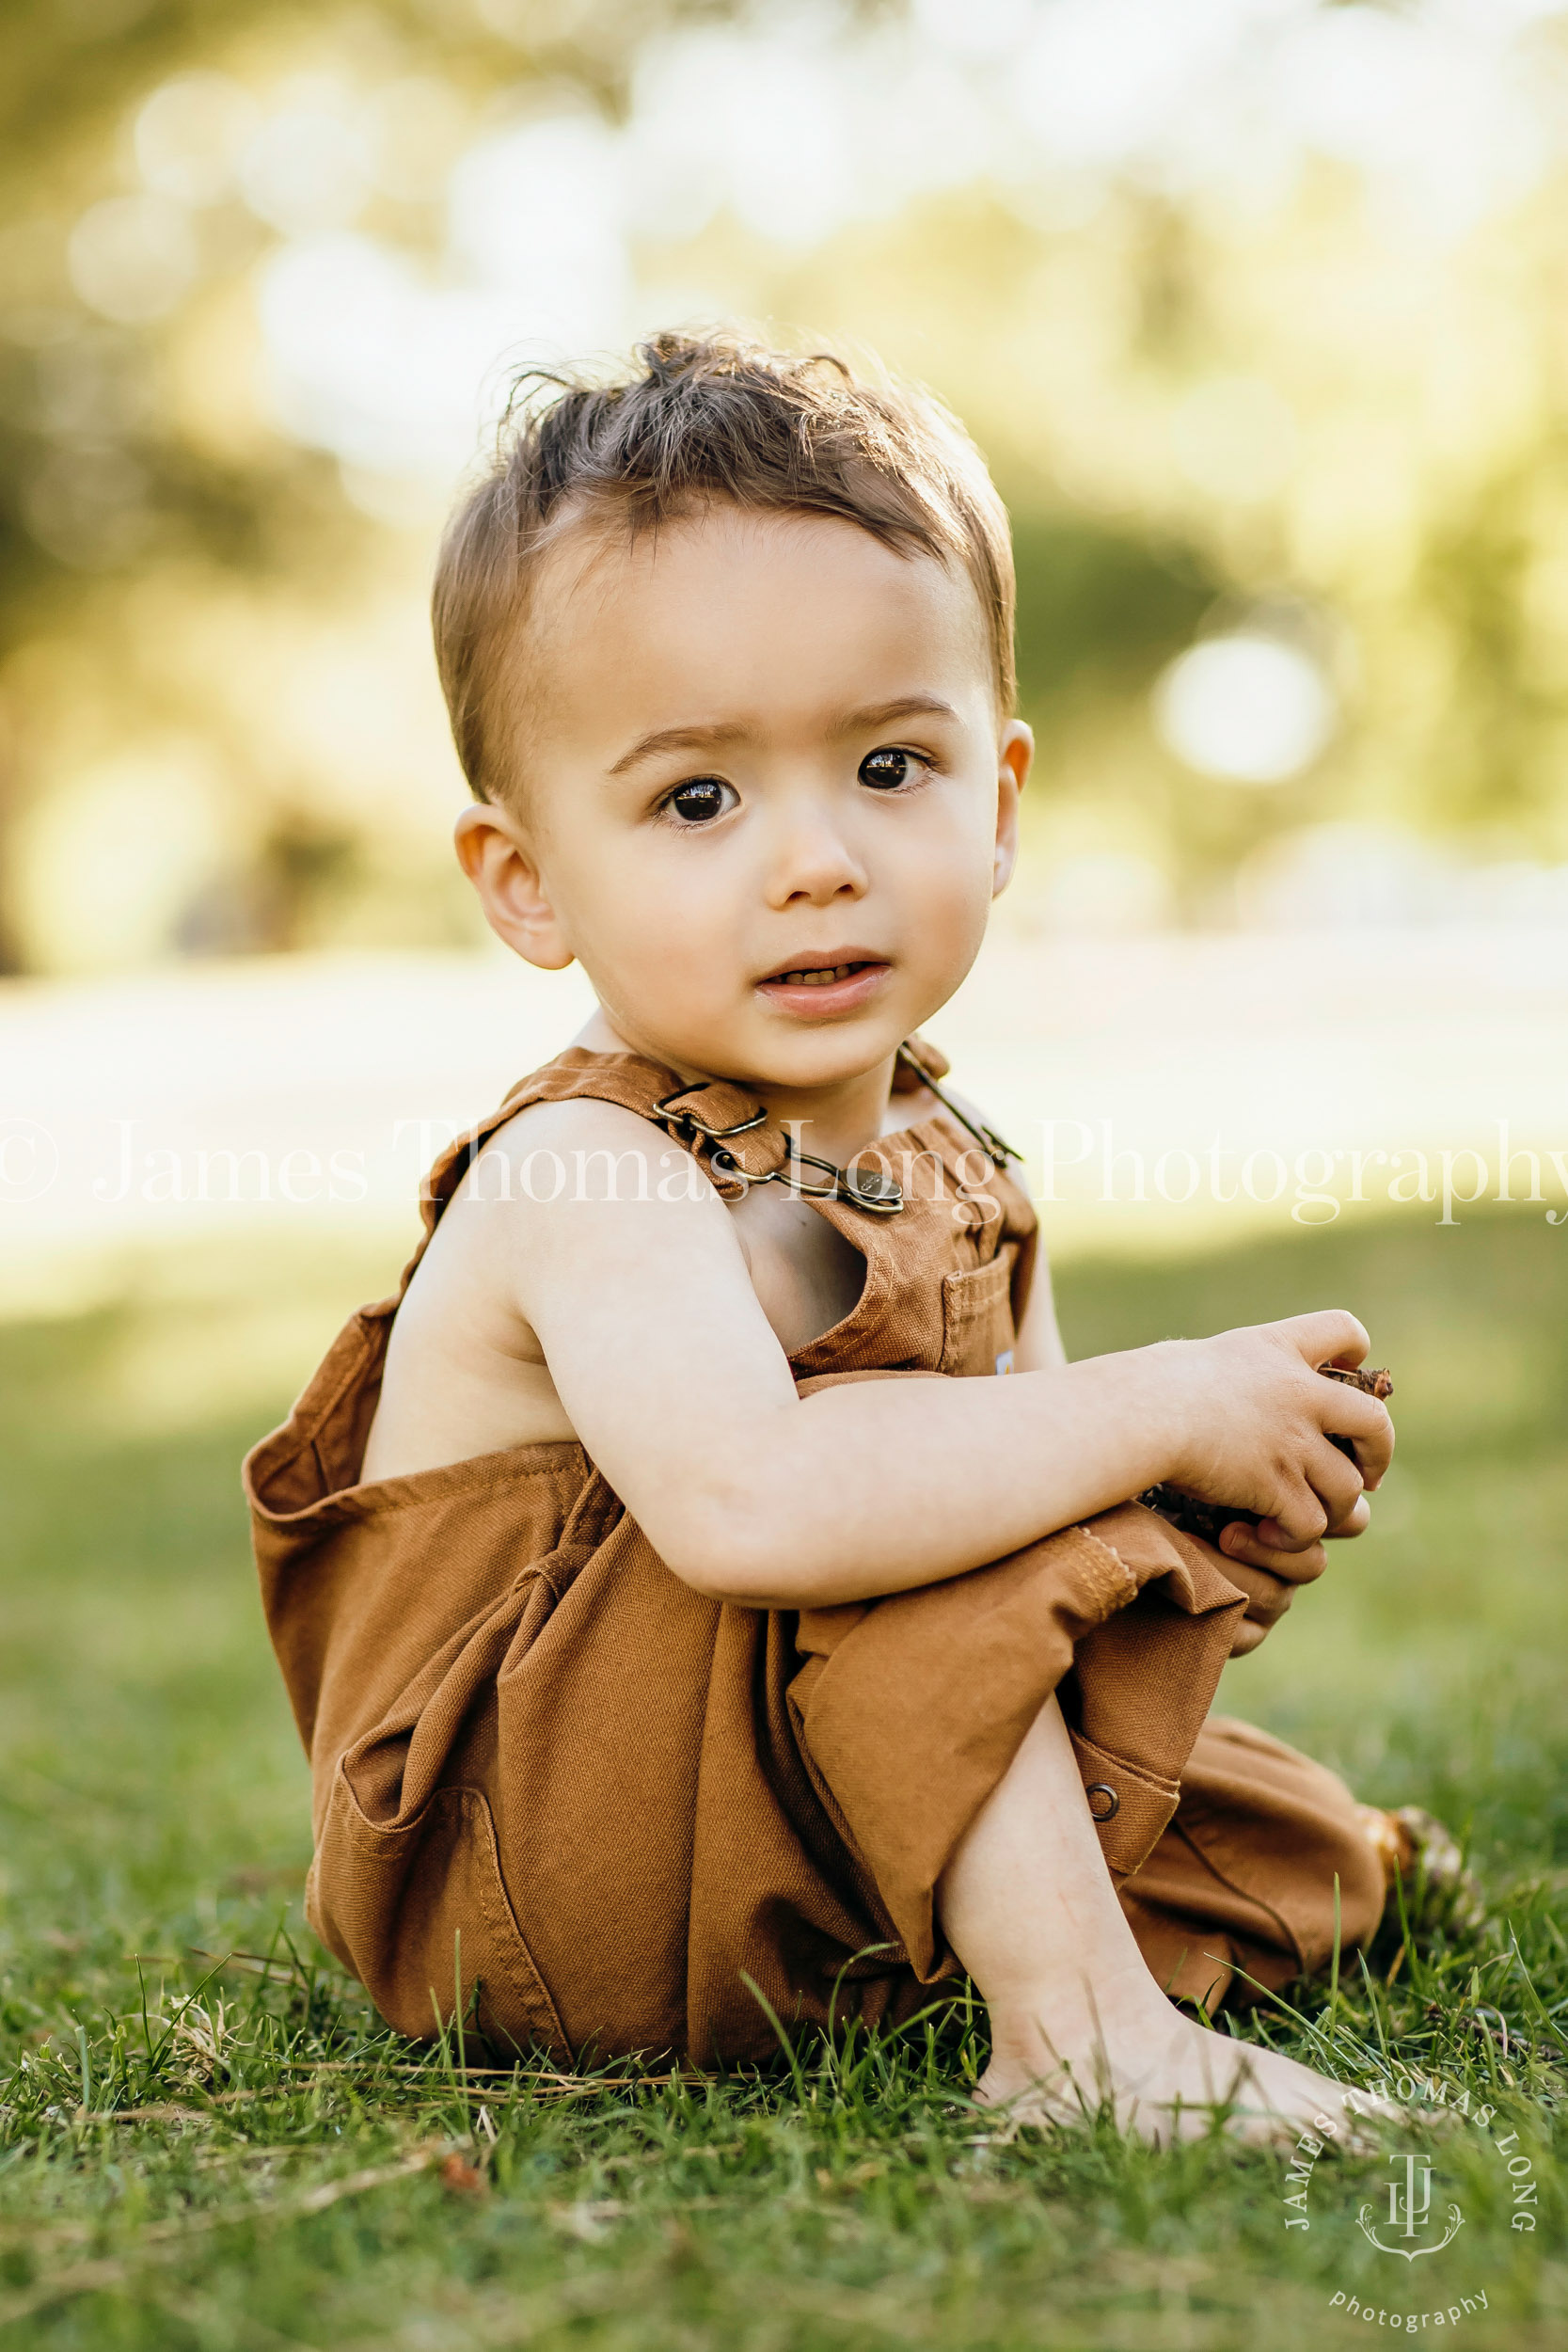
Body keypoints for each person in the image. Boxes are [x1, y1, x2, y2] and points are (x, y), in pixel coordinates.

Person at [247, 332, 1414, 2145]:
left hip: (765, 1809)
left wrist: (1191, 1511)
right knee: (878, 1485)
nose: (816, 859)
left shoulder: (960, 1161)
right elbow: (763, 1505)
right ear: (528, 879)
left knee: (1290, 1848)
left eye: (890, 765)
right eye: (697, 799)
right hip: (530, 1860)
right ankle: (1083, 2043)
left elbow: (1036, 1508)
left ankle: (1014, 1948)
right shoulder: (588, 1174)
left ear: (1000, 802)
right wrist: (1167, 1399)